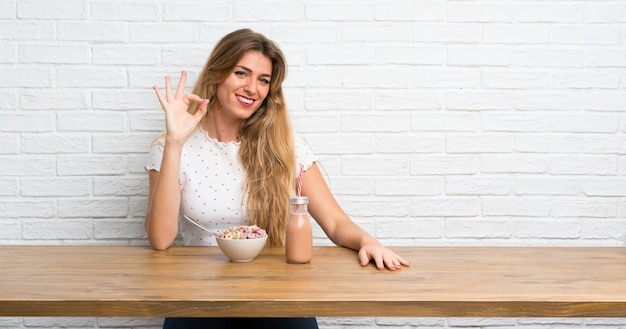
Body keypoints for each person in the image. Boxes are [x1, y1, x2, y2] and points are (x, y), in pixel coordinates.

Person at [144, 28, 410, 329]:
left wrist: (368, 241)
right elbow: (161, 239)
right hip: (196, 295)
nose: (252, 89)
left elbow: (335, 222)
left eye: (263, 80)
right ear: (218, 73)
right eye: (241, 73)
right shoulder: (171, 147)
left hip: (276, 294)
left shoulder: (285, 145)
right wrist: (175, 143)